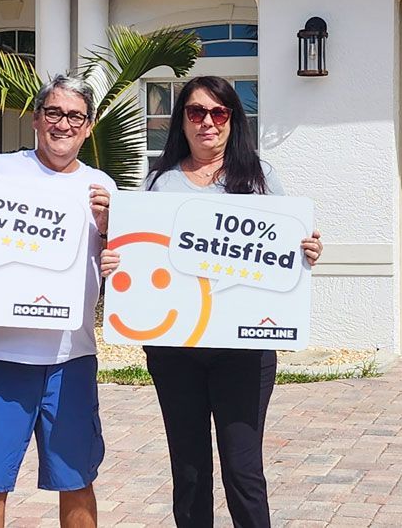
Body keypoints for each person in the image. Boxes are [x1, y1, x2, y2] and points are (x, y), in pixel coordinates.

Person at [99, 75, 323, 528]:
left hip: (244, 352)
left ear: (232, 121)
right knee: (190, 467)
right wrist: (114, 259)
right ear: (181, 120)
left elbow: (285, 251)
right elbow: (139, 257)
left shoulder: (260, 178)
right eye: (196, 112)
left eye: (218, 113)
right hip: (175, 350)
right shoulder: (159, 183)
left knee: (243, 468)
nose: (207, 122)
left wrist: (307, 253)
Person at [0, 74, 114, 528]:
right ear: (36, 119)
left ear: (89, 126)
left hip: (71, 357)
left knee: (77, 479)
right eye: (54, 113)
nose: (63, 124)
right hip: (2, 354)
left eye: (75, 116)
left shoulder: (101, 187)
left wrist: (108, 227)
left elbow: (123, 267)